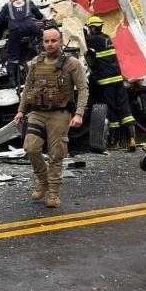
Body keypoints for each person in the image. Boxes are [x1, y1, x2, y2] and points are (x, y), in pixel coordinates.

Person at [13, 27, 89, 208]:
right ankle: (43, 181)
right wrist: (21, 110)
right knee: (31, 148)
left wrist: (79, 113)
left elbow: (83, 88)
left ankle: (54, 193)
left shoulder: (72, 64)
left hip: (59, 113)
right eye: (46, 41)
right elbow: (27, 88)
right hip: (37, 113)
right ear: (42, 42)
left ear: (61, 41)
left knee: (56, 155)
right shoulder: (35, 63)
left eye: (53, 41)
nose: (49, 44)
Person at [84, 15, 136, 151]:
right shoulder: (107, 38)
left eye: (89, 27)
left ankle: (114, 141)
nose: (88, 30)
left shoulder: (93, 40)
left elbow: (83, 41)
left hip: (107, 81)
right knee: (124, 108)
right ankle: (131, 138)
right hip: (118, 79)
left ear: (93, 27)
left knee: (112, 111)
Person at [0, 0, 44, 87]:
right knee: (43, 37)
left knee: (13, 55)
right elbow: (39, 16)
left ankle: (13, 80)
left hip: (15, 31)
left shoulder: (7, 6)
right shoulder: (29, 2)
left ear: (12, 0)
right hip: (31, 28)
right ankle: (40, 50)